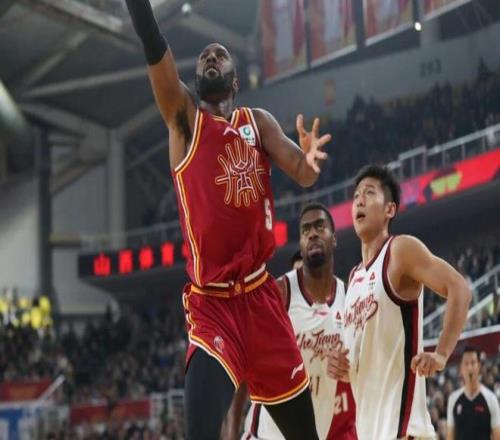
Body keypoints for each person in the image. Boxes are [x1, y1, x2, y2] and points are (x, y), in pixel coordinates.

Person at [125, 2, 331, 439]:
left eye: (220, 54)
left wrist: (310, 161)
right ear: (197, 80)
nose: (211, 56)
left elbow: (302, 172)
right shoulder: (184, 119)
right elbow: (151, 39)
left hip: (260, 297)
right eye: (204, 56)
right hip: (213, 305)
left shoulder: (258, 123)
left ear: (235, 80)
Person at [327, 164, 471, 440]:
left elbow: (459, 289)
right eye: (356, 195)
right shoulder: (353, 278)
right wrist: (341, 367)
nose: (359, 200)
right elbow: (361, 364)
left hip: (405, 431)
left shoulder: (400, 250)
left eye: (369, 193)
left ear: (390, 209)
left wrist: (442, 354)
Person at [225, 203, 357, 440]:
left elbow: (360, 366)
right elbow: (241, 367)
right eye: (305, 230)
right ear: (301, 245)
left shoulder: (347, 298)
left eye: (319, 227)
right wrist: (231, 435)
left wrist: (349, 370)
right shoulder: (279, 293)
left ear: (334, 239)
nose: (312, 234)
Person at [446, 346, 500, 440]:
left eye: (473, 363)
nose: (469, 367)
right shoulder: (453, 399)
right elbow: (450, 437)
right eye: (466, 363)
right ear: (461, 368)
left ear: (479, 366)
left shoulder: (491, 399)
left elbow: (497, 436)